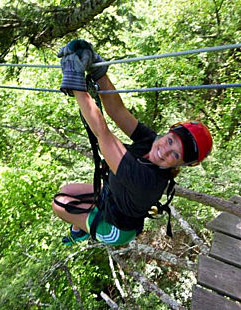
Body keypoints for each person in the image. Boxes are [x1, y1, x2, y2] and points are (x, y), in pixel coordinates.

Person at [52, 40, 213, 246]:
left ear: (179, 165)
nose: (165, 151)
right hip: (113, 195)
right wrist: (99, 73)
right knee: (67, 190)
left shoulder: (148, 181)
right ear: (166, 134)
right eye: (170, 141)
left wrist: (75, 82)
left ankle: (81, 230)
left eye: (175, 155)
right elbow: (119, 112)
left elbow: (103, 134)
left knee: (59, 204)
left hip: (115, 229)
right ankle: (81, 221)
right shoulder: (150, 141)